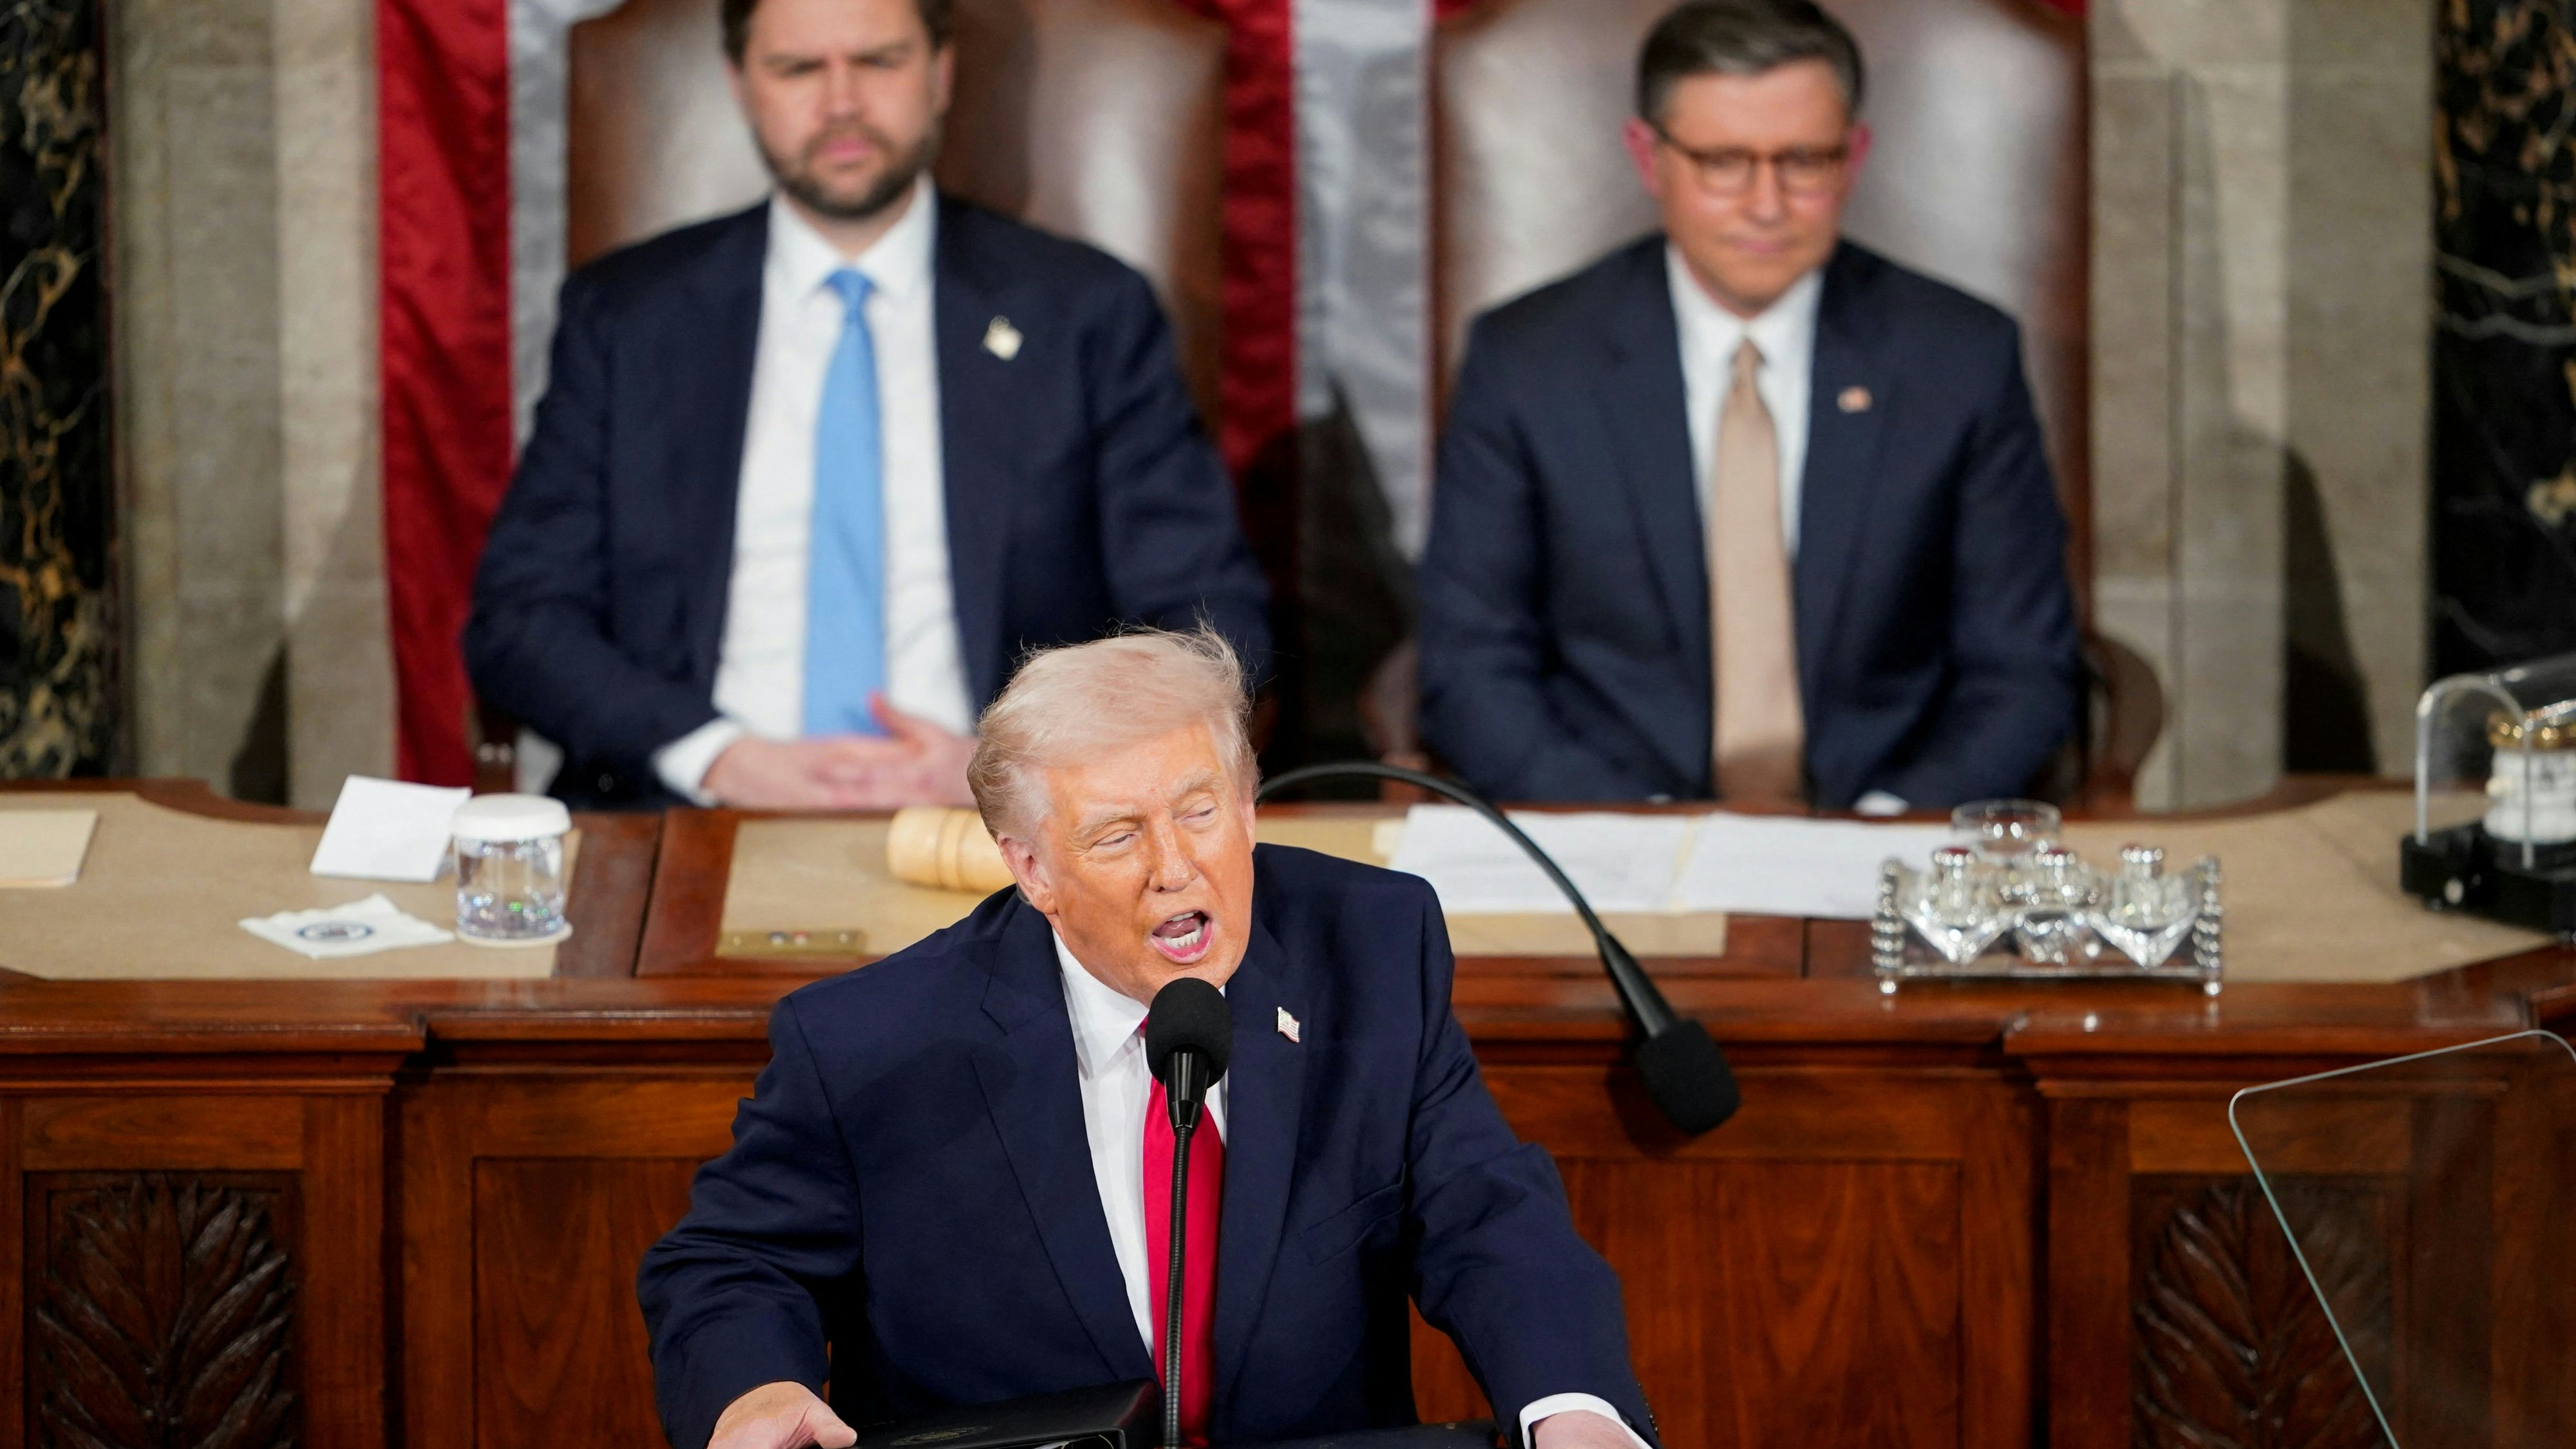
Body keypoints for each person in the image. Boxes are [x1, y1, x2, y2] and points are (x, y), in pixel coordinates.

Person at [638, 629, 1654, 1449]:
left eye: (1201, 811)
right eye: (1118, 834)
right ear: (1030, 868)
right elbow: (727, 1260)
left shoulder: (1374, 950)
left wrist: (1574, 1409)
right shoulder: (873, 1040)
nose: (1176, 867)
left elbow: (1488, 1214)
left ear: (1249, 807)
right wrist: (752, 1393)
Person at [464, 0, 1270, 813]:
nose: (841, 102)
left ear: (941, 73)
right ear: (741, 85)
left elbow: (1208, 621)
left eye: (878, 62)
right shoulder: (629, 318)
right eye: (798, 69)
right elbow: (522, 619)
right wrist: (717, 756)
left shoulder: (1085, 313)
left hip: (1005, 831)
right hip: (692, 819)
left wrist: (1019, 762)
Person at [1417, 0, 2081, 811]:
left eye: (1802, 160)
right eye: (1723, 162)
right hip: (1616, 842)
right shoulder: (1526, 362)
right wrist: (1631, 828)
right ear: (1648, 158)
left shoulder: (1958, 358)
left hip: (1885, 834)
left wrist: (1894, 826)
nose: (1765, 204)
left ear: (1853, 158)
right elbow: (1472, 666)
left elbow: (2021, 669)